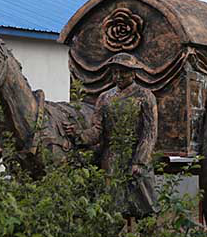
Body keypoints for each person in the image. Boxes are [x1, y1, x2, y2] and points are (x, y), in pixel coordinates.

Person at [64, 53, 158, 219]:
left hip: (136, 156)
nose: (118, 76)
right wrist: (79, 134)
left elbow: (149, 132)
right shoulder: (105, 98)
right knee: (113, 208)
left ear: (133, 73)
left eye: (123, 72)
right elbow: (97, 130)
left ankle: (148, 233)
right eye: (115, 72)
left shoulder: (145, 96)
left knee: (146, 208)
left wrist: (140, 161)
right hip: (112, 159)